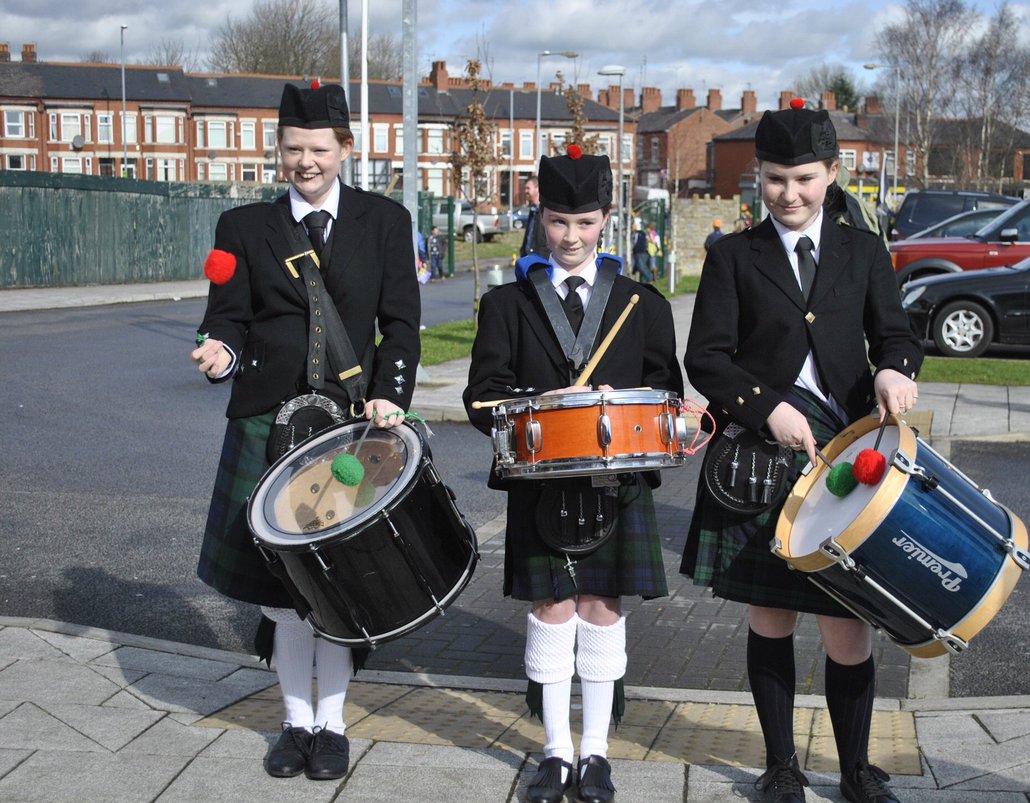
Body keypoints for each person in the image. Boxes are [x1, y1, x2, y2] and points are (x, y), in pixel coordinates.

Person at [681, 99, 921, 803]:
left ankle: (855, 770)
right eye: (776, 178)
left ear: (834, 173)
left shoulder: (863, 250)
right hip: (759, 457)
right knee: (771, 617)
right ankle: (781, 765)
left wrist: (893, 371)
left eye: (805, 179)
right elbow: (708, 358)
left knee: (848, 626)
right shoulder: (732, 255)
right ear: (759, 176)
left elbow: (899, 337)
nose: (789, 193)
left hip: (849, 459)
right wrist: (767, 407)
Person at [190, 81, 420, 782]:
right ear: (280, 150)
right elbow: (227, 315)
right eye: (293, 149)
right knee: (283, 591)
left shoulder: (384, 220)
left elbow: (402, 325)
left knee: (338, 584)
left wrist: (389, 393)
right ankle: (294, 721)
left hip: (350, 424)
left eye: (319, 149)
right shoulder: (244, 226)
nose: (305, 161)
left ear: (345, 149)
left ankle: (333, 725)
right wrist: (220, 350)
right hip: (269, 423)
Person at [464, 145, 683, 803]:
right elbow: (482, 396)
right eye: (559, 221)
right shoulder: (506, 303)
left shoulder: (641, 303)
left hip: (616, 483)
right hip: (541, 482)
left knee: (603, 606)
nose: (570, 236)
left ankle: (597, 754)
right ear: (540, 214)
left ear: (607, 219)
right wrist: (535, 422)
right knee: (552, 606)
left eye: (585, 223)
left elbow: (664, 389)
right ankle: (556, 751)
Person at [521, 175, 550, 259]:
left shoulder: (546, 211)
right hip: (529, 260)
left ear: (537, 189)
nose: (525, 191)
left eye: (528, 188)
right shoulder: (533, 211)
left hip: (541, 261)